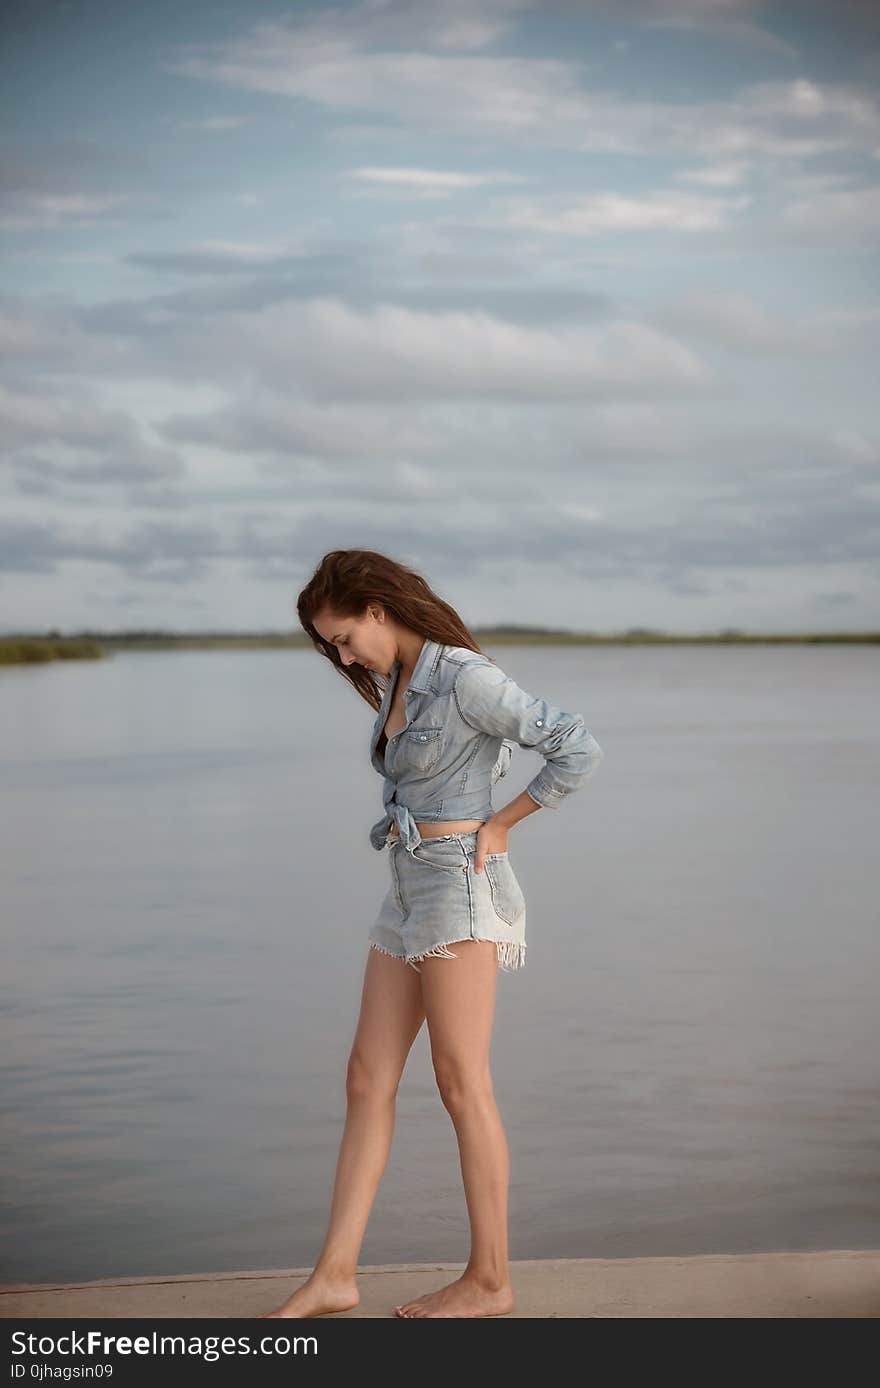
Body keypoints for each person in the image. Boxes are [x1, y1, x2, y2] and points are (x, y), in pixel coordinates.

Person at [261, 549, 604, 1319]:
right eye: (332, 646)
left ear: (377, 609)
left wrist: (506, 825)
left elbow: (577, 746)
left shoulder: (466, 678)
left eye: (345, 637)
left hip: (460, 886)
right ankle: (335, 1274)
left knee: (460, 1083)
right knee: (365, 1076)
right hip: (408, 889)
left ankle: (490, 1280)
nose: (342, 655)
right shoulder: (400, 681)